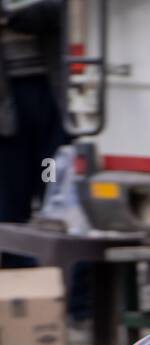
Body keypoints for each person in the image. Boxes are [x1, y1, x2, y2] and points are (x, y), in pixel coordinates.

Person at [0, 0, 65, 267]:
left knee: (55, 191)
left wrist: (12, 16)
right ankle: (23, 293)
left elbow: (64, 10)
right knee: (10, 204)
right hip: (8, 105)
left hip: (52, 92)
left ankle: (63, 294)